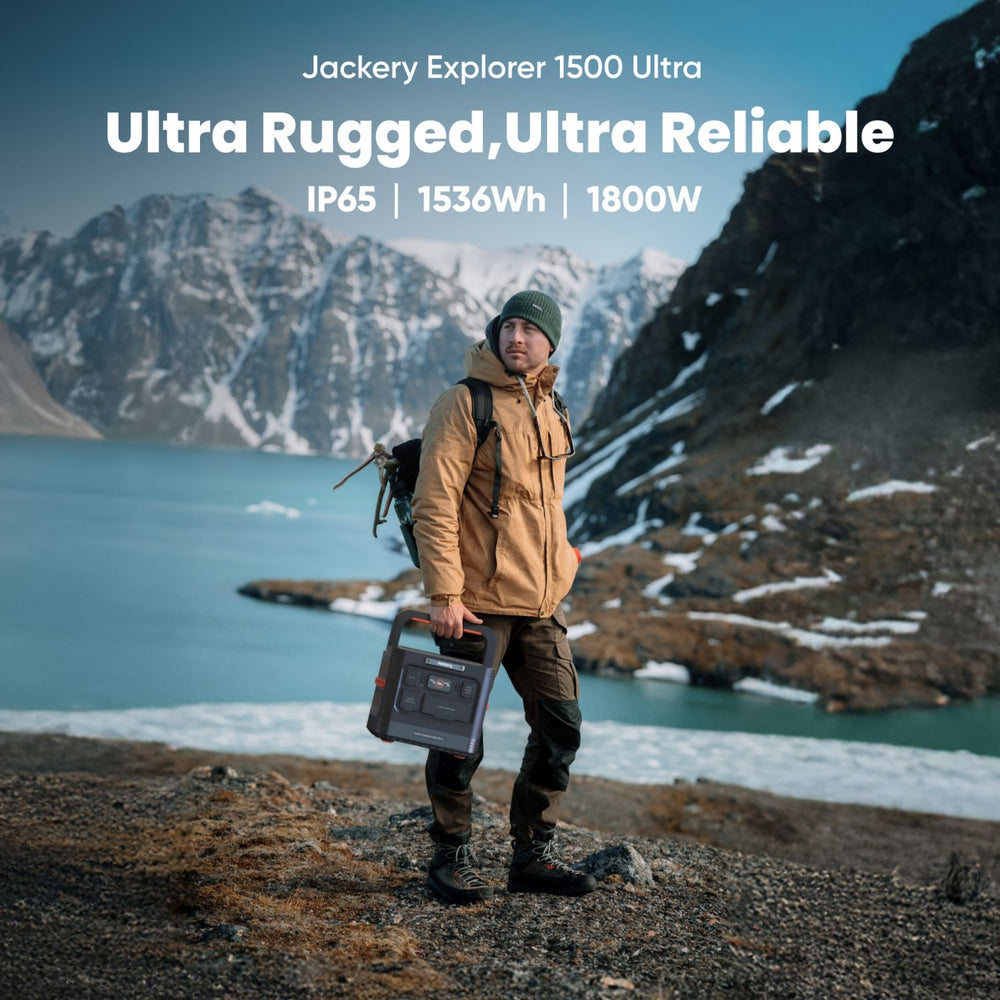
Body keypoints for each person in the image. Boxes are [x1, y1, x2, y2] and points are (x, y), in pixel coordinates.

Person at [411, 289, 597, 903]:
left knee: (561, 726)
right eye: (508, 326)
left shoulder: (552, 406)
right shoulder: (465, 402)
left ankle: (532, 856)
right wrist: (444, 593)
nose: (516, 337)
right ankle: (449, 856)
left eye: (530, 329)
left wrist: (562, 563)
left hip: (540, 604)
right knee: (457, 732)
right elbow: (434, 504)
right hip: (474, 603)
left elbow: (545, 506)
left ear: (551, 343)